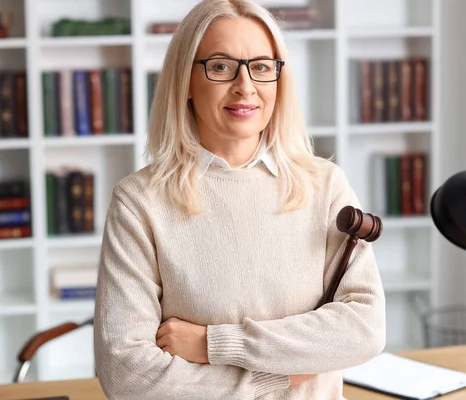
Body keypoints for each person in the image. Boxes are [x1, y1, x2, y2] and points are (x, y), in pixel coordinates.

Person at [93, 0, 386, 398]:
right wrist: (276, 377)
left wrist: (213, 344)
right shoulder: (139, 202)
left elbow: (364, 330)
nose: (245, 85)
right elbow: (128, 376)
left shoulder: (325, 185)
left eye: (262, 67)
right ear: (186, 81)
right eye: (220, 66)